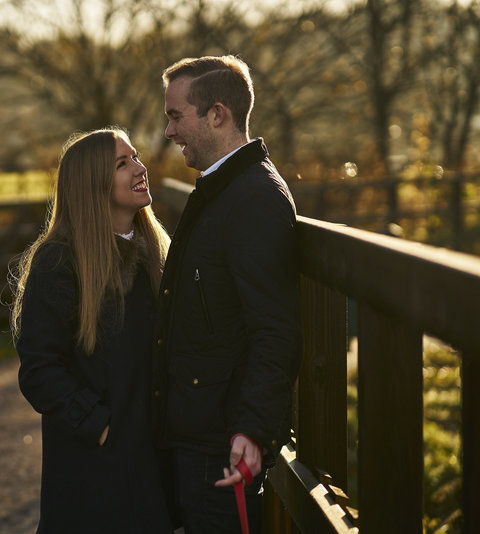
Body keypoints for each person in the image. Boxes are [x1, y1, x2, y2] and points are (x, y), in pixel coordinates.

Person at [151, 55, 303, 533]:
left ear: (217, 114)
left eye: (177, 116)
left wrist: (251, 431)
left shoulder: (254, 198)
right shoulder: (222, 187)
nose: (170, 131)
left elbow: (274, 329)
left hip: (222, 445)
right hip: (201, 430)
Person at [11, 127, 174, 533]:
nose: (140, 168)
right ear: (92, 183)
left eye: (136, 157)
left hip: (151, 459)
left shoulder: (158, 252)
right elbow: (40, 370)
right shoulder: (59, 262)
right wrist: (98, 426)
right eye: (122, 163)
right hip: (92, 470)